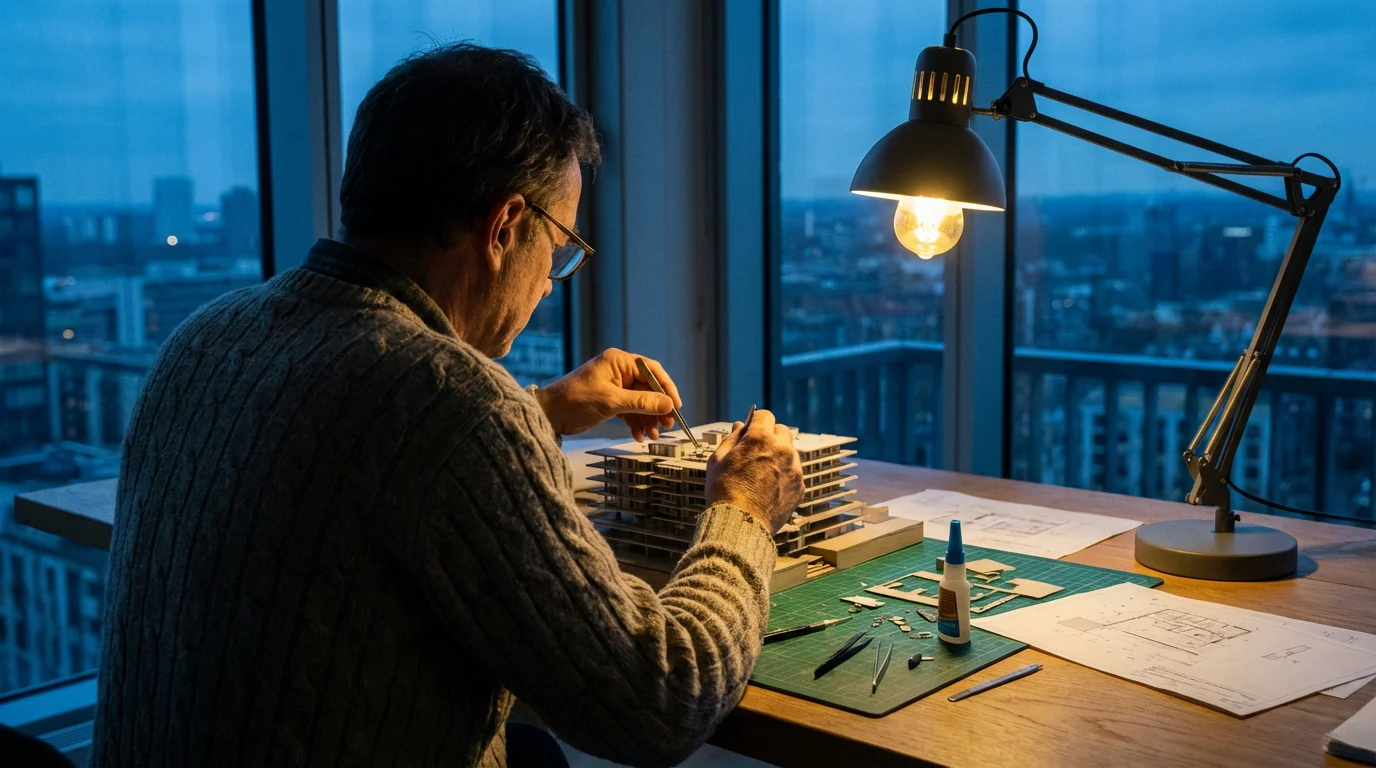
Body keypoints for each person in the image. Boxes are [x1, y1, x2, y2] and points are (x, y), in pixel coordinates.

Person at [91, 43, 805, 768]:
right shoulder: (454, 402)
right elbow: (660, 702)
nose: (552, 282)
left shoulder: (204, 339)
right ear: (502, 229)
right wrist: (743, 509)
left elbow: (356, 443)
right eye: (560, 245)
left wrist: (544, 410)